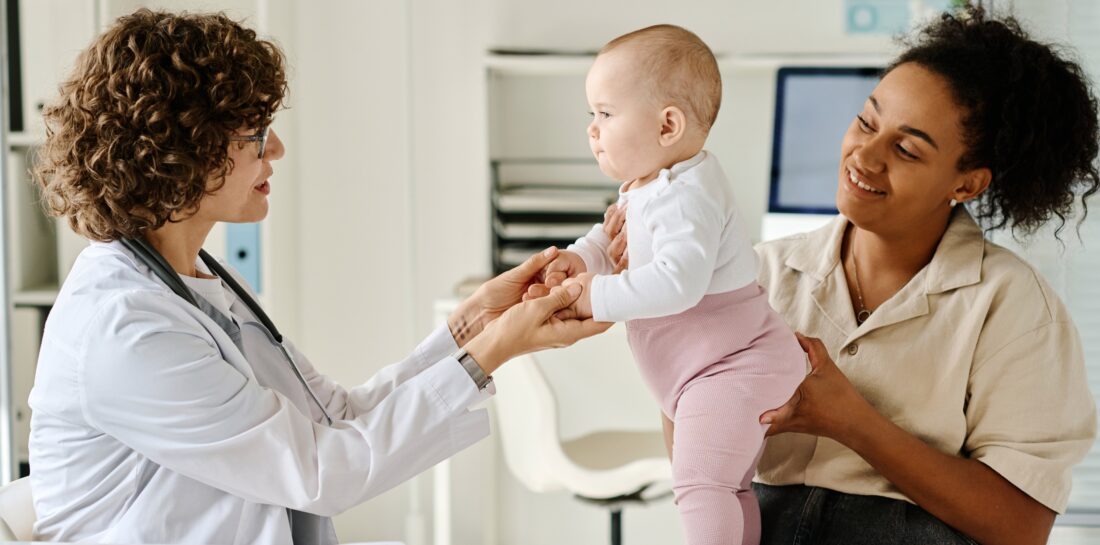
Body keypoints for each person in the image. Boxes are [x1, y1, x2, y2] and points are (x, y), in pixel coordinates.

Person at [27, 9, 607, 544]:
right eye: (254, 134)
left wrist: (473, 329)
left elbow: (332, 417)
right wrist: (492, 352)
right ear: (183, 151)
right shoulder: (124, 327)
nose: (275, 148)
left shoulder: (196, 281)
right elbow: (319, 471)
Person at [598, 6, 1099, 544]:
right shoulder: (756, 273)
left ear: (968, 184)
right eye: (866, 121)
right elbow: (695, 448)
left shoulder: (1014, 308)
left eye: (906, 149)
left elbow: (1021, 528)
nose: (865, 154)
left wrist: (852, 422)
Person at [534, 25, 806, 545]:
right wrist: (580, 257)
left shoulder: (687, 194)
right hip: (702, 371)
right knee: (729, 488)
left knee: (701, 486)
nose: (593, 129)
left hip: (731, 366)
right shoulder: (651, 184)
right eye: (592, 115)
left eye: (606, 114)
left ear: (667, 126)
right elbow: (614, 233)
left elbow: (679, 282)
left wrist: (596, 296)